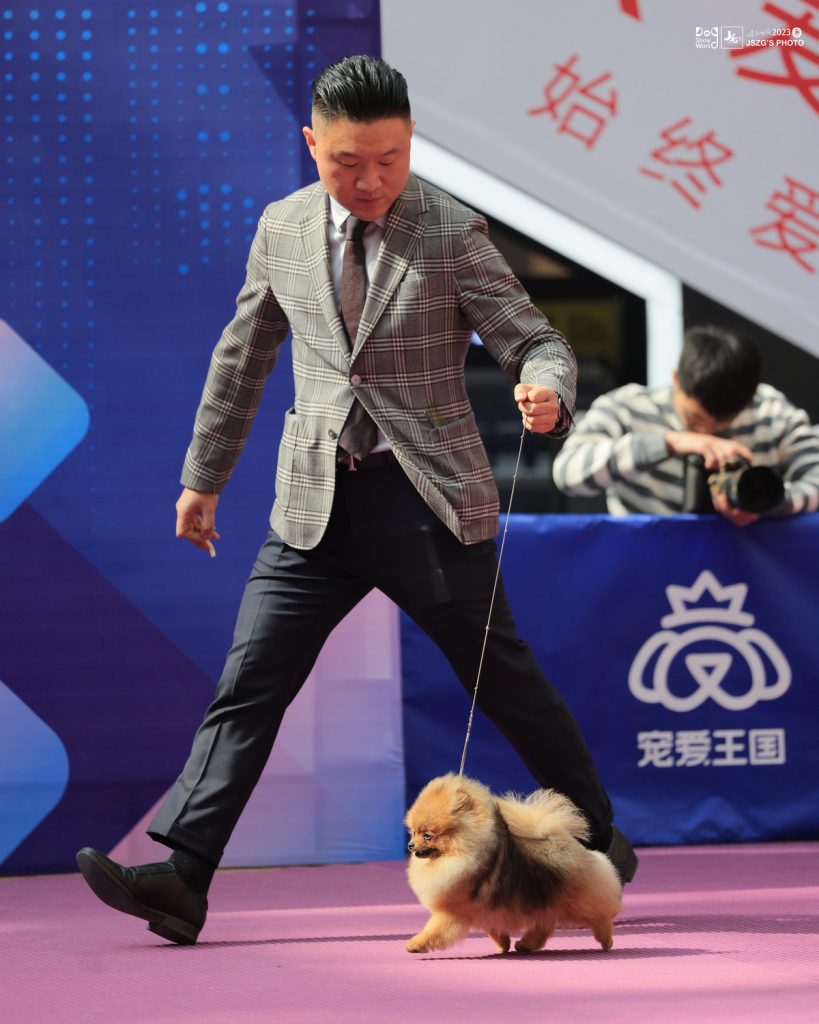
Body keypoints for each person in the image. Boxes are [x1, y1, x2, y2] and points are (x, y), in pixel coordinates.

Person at [76, 55, 636, 945]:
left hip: (427, 503)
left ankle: (597, 842)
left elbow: (534, 338)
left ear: (409, 145)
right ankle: (182, 876)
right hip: (313, 502)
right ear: (312, 144)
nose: (371, 180)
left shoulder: (450, 230)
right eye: (347, 162)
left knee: (505, 684)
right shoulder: (283, 227)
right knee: (249, 682)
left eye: (389, 159)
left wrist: (546, 388)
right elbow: (242, 357)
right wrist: (203, 477)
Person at [553, 325, 819, 527]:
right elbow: (567, 474)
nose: (707, 433)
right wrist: (670, 442)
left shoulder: (770, 410)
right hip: (645, 568)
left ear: (751, 397)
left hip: (745, 574)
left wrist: (769, 504)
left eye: (725, 421)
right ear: (676, 379)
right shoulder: (627, 406)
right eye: (696, 419)